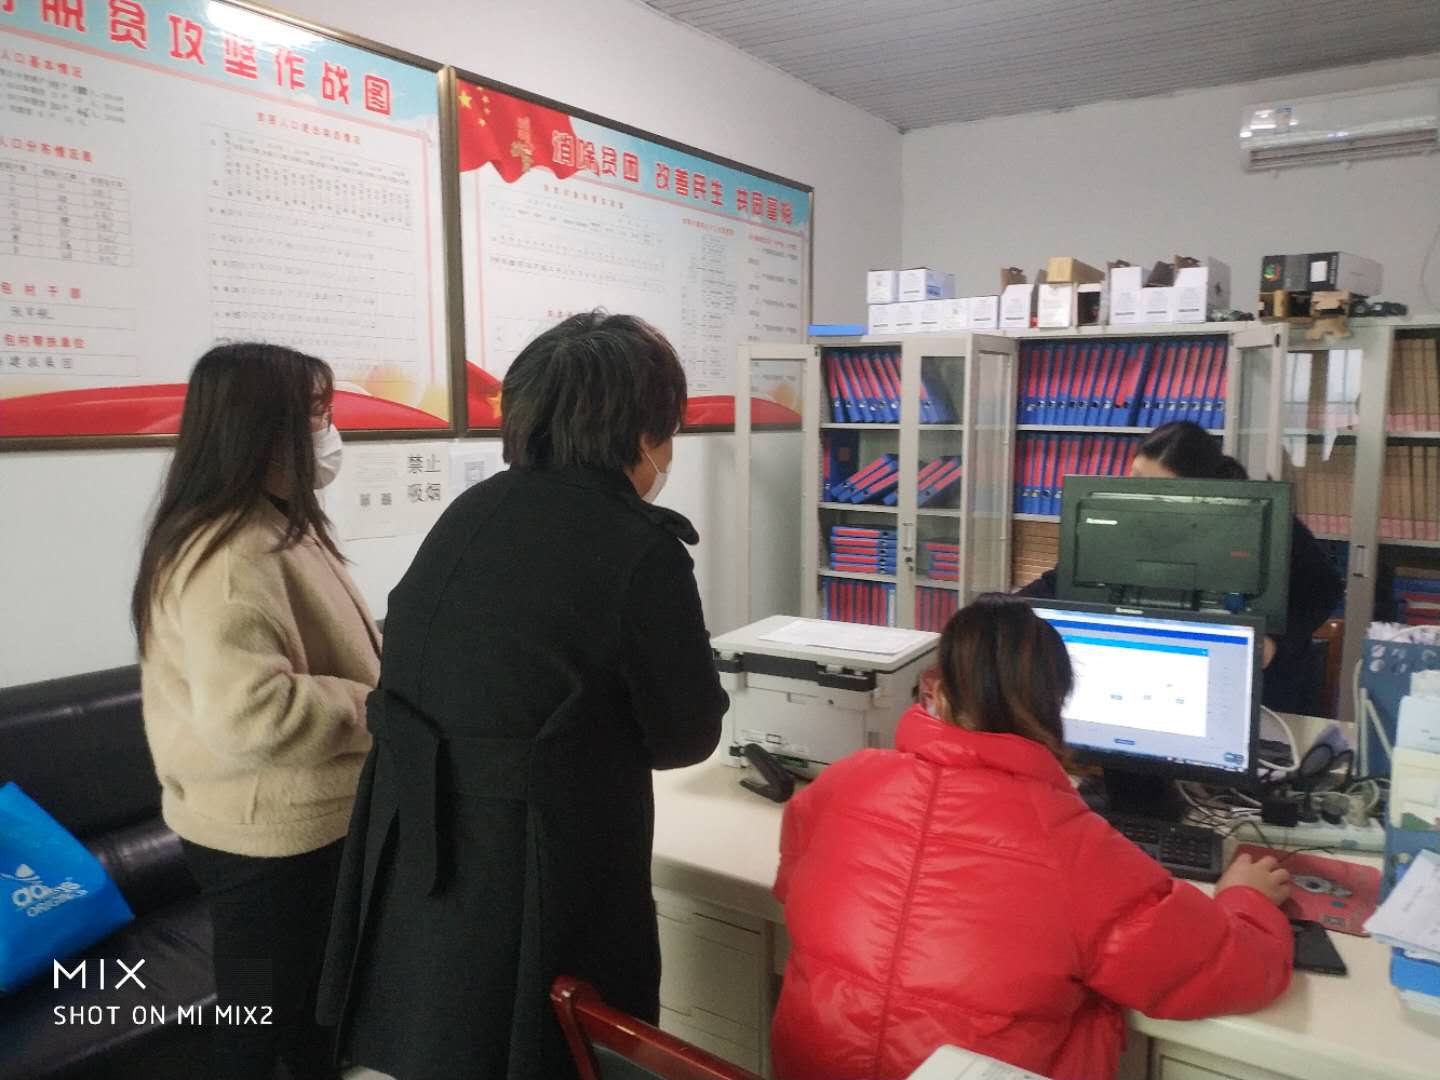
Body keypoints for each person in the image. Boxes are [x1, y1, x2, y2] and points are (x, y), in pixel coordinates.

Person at [318, 312, 730, 1080]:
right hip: (546, 862)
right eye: (667, 430)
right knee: (553, 1049)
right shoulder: (639, 545)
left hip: (421, 850)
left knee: (454, 1038)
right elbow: (686, 737)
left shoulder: (470, 513)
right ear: (642, 433)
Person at [770, 595, 1293, 1080]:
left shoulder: (843, 781)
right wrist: (1246, 899)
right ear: (1058, 703)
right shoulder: (1076, 847)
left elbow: (794, 887)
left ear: (938, 694)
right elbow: (1233, 970)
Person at [132, 343, 379, 1080]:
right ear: (262, 429)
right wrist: (376, 705)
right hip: (268, 838)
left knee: (307, 1024)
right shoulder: (232, 553)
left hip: (296, 824)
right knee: (266, 1034)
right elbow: (252, 714)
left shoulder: (272, 524)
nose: (328, 431)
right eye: (316, 413)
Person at [1018, 420, 1344, 712]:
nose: (1139, 496)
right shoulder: (1122, 518)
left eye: (1156, 488)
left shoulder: (1260, 518)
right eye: (1135, 478)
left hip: (1251, 687)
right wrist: (1004, 609)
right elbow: (1063, 580)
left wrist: (1275, 643)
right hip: (1153, 672)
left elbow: (1324, 589)